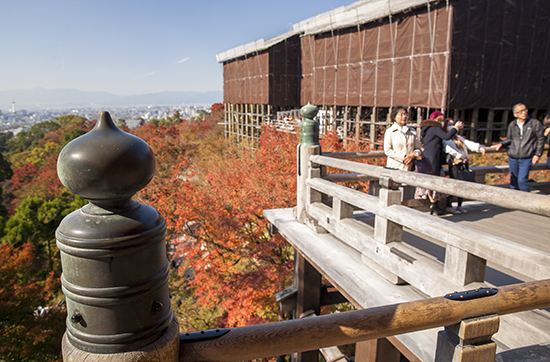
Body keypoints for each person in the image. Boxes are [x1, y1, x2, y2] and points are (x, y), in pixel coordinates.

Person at [415, 111, 463, 215]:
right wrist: (456, 127)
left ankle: (435, 205)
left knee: (432, 181)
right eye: (442, 120)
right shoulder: (434, 128)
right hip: (433, 158)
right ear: (438, 119)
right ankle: (434, 205)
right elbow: (446, 136)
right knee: (433, 181)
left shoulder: (427, 128)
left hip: (428, 156)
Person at [495, 103, 544, 192]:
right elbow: (509, 139)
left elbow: (540, 140)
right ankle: (514, 201)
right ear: (515, 114)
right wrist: (501, 144)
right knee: (513, 181)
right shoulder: (513, 125)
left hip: (527, 157)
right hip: (513, 157)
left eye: (525, 110)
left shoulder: (534, 124)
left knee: (522, 180)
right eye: (521, 111)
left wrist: (537, 154)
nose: (524, 112)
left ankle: (525, 202)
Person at [442, 118, 485, 214]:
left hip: (463, 163)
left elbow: (468, 143)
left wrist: (479, 148)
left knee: (463, 183)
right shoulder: (446, 138)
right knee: (454, 184)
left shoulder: (458, 137)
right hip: (454, 163)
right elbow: (449, 149)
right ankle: (449, 205)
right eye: (450, 124)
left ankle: (459, 205)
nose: (453, 126)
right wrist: (462, 156)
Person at [384, 106, 422, 202]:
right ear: (394, 117)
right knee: (394, 198)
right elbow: (387, 150)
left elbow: (419, 148)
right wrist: (404, 157)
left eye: (405, 114)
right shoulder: (390, 132)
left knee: (407, 199)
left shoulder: (412, 131)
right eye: (401, 114)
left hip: (409, 168)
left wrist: (413, 155)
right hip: (395, 167)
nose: (404, 116)